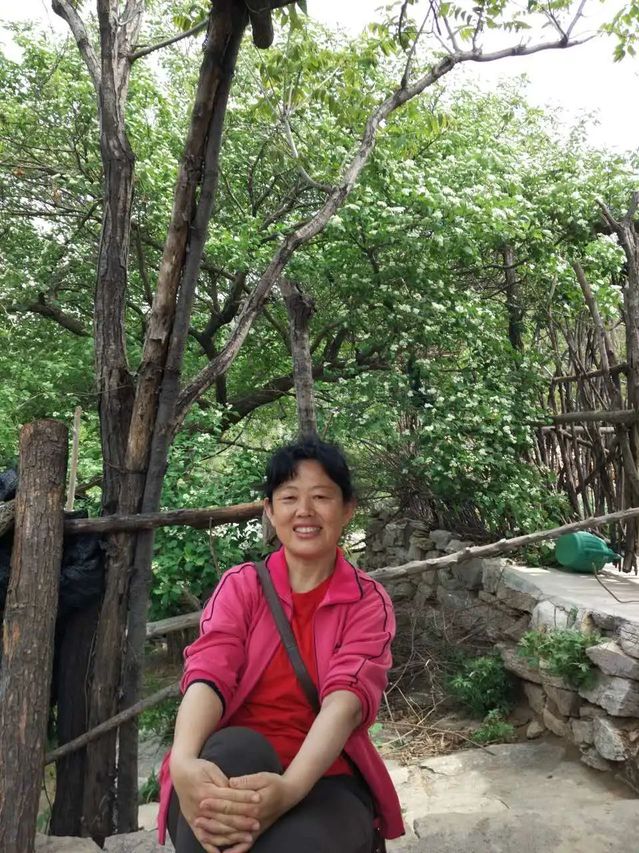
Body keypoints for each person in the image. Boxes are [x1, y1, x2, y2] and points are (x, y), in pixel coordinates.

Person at [157, 437, 404, 852]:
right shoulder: (242, 587)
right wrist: (182, 762)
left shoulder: (366, 602)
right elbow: (208, 673)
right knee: (233, 756)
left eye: (321, 497)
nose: (304, 510)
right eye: (289, 498)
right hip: (231, 762)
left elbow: (345, 703)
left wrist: (288, 790)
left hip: (323, 777)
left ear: (347, 508)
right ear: (270, 511)